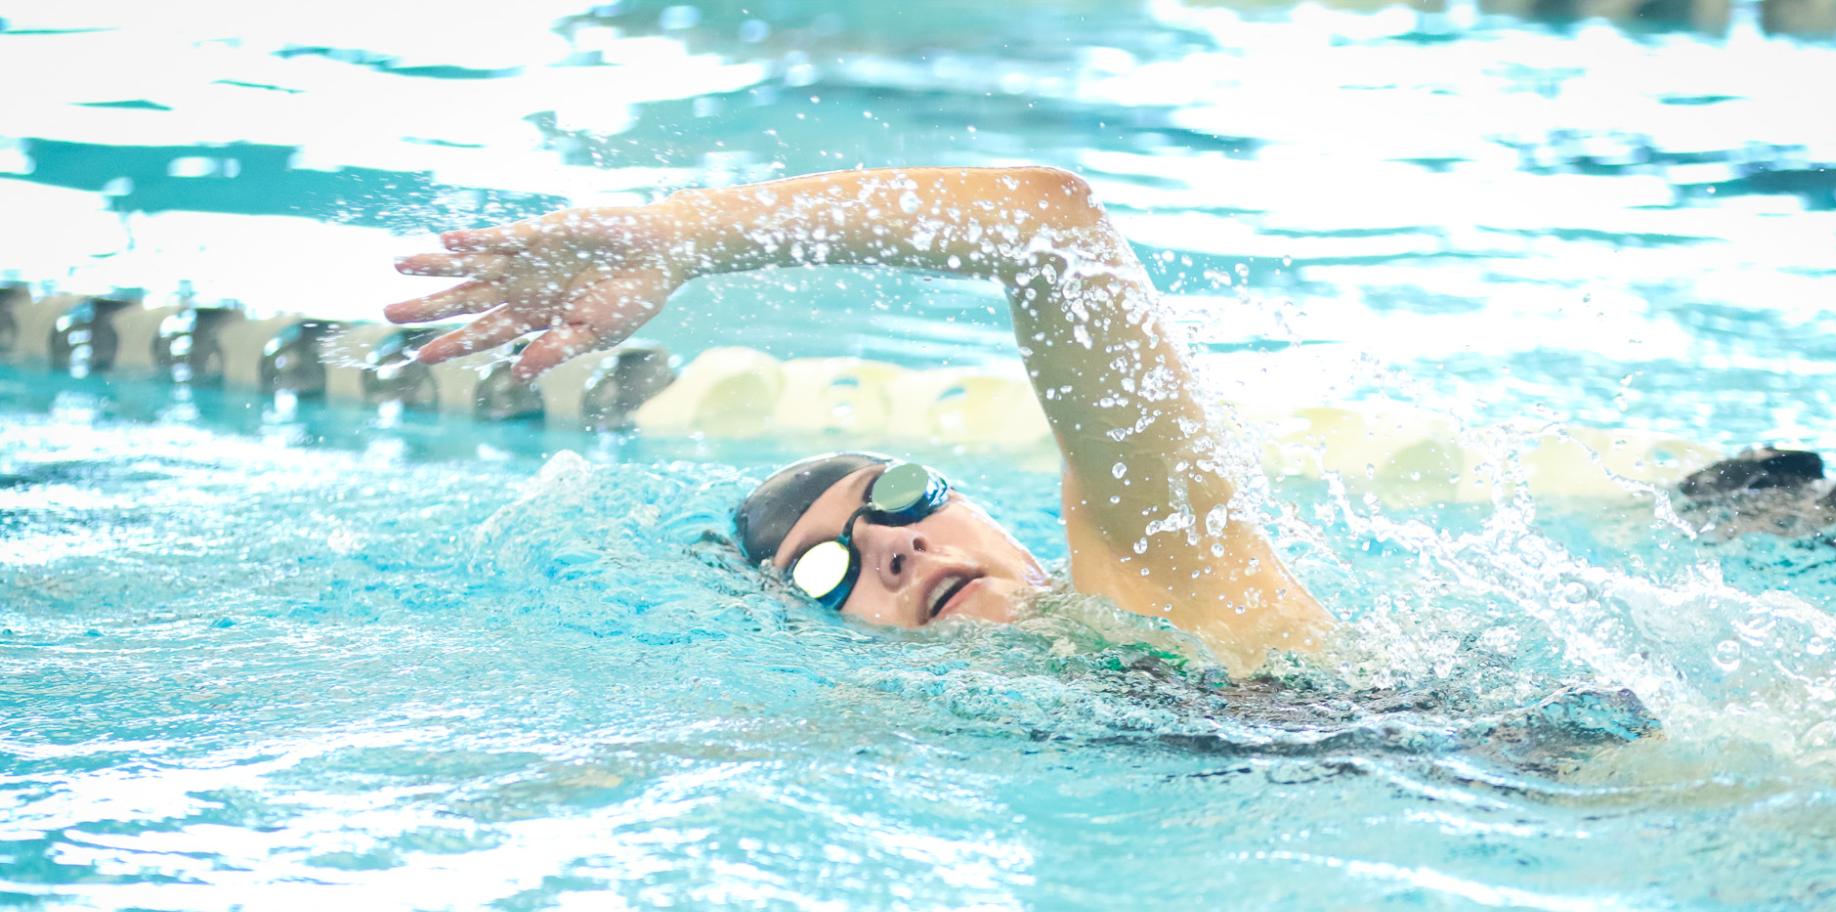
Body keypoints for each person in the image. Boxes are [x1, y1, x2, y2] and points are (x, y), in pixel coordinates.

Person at [385, 166, 1332, 677]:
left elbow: (1053, 227)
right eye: (824, 569)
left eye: (901, 497)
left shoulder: (1169, 570)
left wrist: (684, 239)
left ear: (990, 516)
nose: (897, 549)